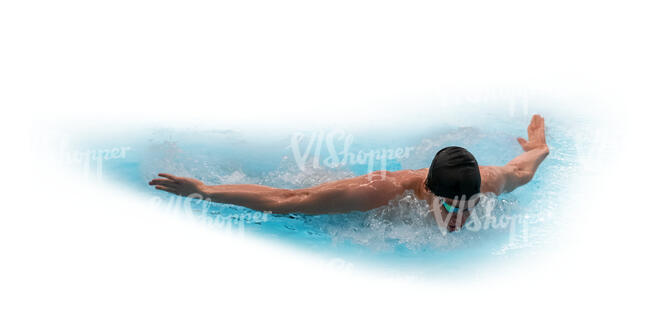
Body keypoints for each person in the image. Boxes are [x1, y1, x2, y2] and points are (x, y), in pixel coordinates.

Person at [149, 114, 549, 232]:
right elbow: (289, 199)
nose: (460, 219)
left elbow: (522, 168)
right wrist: (205, 189)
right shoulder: (381, 191)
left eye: (469, 205)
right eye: (449, 205)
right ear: (429, 190)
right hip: (327, 193)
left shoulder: (490, 182)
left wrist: (538, 148)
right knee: (298, 208)